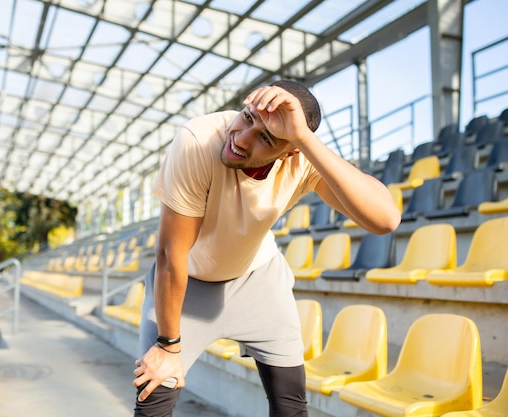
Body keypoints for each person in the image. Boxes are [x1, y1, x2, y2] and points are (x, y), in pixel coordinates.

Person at [132, 80, 401, 417]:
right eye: (247, 118)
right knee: (153, 399)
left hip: (257, 280)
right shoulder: (198, 139)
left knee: (290, 405)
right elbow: (172, 255)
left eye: (265, 138)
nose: (241, 139)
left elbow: (386, 220)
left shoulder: (301, 159)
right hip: (187, 284)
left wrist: (305, 139)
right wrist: (168, 345)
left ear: (290, 151)